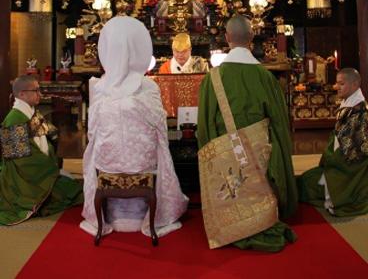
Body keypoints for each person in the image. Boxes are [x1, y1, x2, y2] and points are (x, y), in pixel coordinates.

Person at [80, 16, 188, 237]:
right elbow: (161, 129)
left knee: (95, 149)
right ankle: (152, 212)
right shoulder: (147, 86)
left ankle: (106, 213)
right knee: (159, 147)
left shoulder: (99, 87)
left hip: (107, 164)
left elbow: (92, 132)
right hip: (143, 163)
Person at [197, 15, 298, 252]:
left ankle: (230, 221)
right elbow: (279, 124)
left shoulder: (212, 79)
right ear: (251, 38)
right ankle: (263, 217)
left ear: (226, 38)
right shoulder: (265, 77)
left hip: (225, 156)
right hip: (260, 154)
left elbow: (204, 128)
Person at [0, 75, 83, 225]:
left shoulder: (31, 112)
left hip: (43, 169)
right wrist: (51, 168)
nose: (40, 94)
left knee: (72, 188)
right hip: (23, 179)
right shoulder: (13, 120)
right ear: (22, 94)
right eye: (36, 90)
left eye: (39, 90)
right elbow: (21, 160)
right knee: (70, 192)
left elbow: (49, 133)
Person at [298, 68, 368, 216]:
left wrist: (330, 159)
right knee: (306, 180)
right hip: (337, 162)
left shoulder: (360, 113)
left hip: (348, 172)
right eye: (336, 83)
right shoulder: (349, 105)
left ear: (355, 84)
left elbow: (354, 153)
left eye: (341, 83)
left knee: (306, 183)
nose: (336, 87)